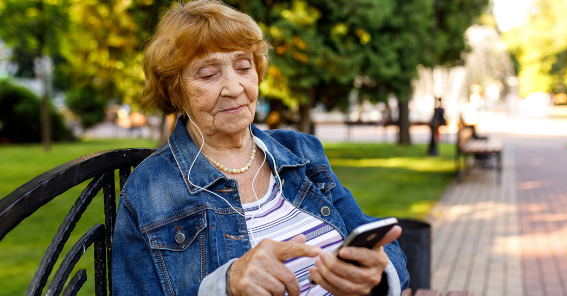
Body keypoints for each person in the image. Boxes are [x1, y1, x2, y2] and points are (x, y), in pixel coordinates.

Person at [110, 1, 409, 295]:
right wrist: (224, 286)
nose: (235, 87)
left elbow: (372, 239)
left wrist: (377, 274)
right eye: (208, 74)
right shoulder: (149, 190)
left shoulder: (301, 151)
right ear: (174, 90)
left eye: (243, 67)